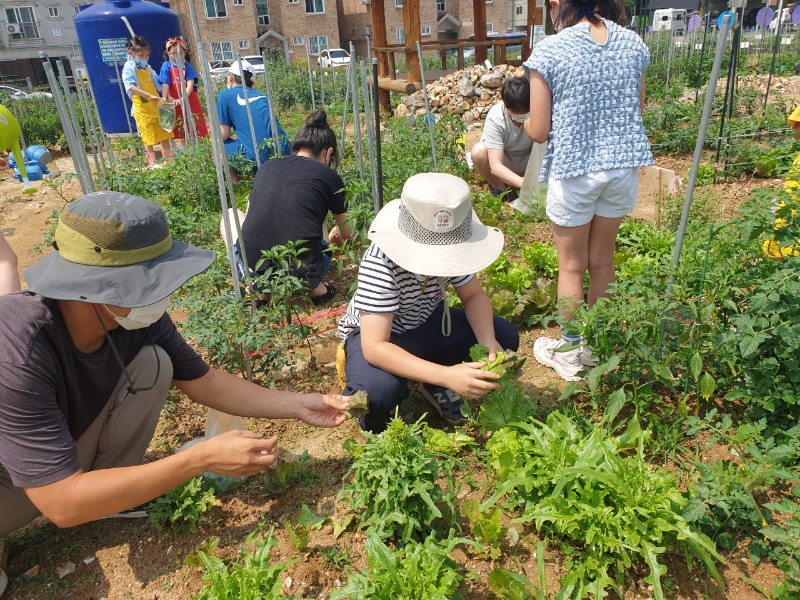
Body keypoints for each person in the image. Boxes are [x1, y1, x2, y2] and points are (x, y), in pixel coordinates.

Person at [0, 192, 349, 590]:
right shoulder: (16, 351)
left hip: (51, 455)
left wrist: (298, 404)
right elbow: (60, 504)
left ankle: (108, 493)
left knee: (154, 362)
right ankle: (95, 493)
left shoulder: (130, 315)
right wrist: (196, 459)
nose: (161, 293)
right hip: (9, 482)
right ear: (100, 287)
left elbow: (203, 380)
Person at [524, 0, 653, 381]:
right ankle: (597, 345)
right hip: (622, 167)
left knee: (571, 265)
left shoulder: (549, 50)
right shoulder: (633, 43)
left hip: (576, 169)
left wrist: (528, 121)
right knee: (603, 261)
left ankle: (568, 350)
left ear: (559, 4)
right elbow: (637, 107)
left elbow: (540, 131)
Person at [337, 172, 520, 433]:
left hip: (427, 322)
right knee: (378, 392)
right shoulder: (382, 261)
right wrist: (447, 374)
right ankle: (380, 420)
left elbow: (474, 296)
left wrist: (488, 341)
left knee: (504, 335)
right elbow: (375, 347)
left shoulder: (454, 249)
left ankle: (435, 382)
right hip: (381, 336)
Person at [238, 109, 350, 305]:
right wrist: (336, 235)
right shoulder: (327, 175)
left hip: (255, 264)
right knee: (314, 210)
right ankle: (315, 288)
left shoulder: (266, 168)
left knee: (232, 216)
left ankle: (261, 288)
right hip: (307, 270)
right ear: (328, 151)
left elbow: (250, 218)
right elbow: (349, 233)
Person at [217, 59, 291, 182]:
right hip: (284, 152)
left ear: (230, 77)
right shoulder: (261, 95)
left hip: (256, 159)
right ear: (252, 82)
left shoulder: (225, 95)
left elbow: (224, 134)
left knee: (218, 145)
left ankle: (237, 188)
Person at [470, 77, 533, 197]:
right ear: (505, 105)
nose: (521, 115)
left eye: (525, 111)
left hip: (527, 159)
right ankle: (500, 188)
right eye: (516, 112)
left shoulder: (537, 112)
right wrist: (523, 183)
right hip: (505, 158)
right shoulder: (496, 117)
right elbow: (496, 165)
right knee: (478, 152)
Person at [122, 35, 175, 167]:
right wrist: (149, 96)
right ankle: (152, 162)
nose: (145, 58)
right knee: (148, 135)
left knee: (164, 132)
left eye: (146, 55)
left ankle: (168, 160)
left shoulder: (147, 68)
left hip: (155, 104)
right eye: (141, 55)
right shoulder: (129, 67)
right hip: (142, 106)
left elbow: (158, 83)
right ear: (131, 53)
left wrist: (167, 96)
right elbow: (131, 86)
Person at [158, 37, 209, 144]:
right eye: (173, 53)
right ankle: (182, 148)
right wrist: (165, 97)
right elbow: (165, 83)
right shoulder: (166, 66)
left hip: (189, 99)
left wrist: (182, 98)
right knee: (178, 125)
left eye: (180, 53)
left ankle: (197, 146)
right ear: (168, 53)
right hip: (173, 101)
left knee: (193, 123)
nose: (177, 56)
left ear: (185, 53)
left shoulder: (187, 67)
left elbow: (190, 85)